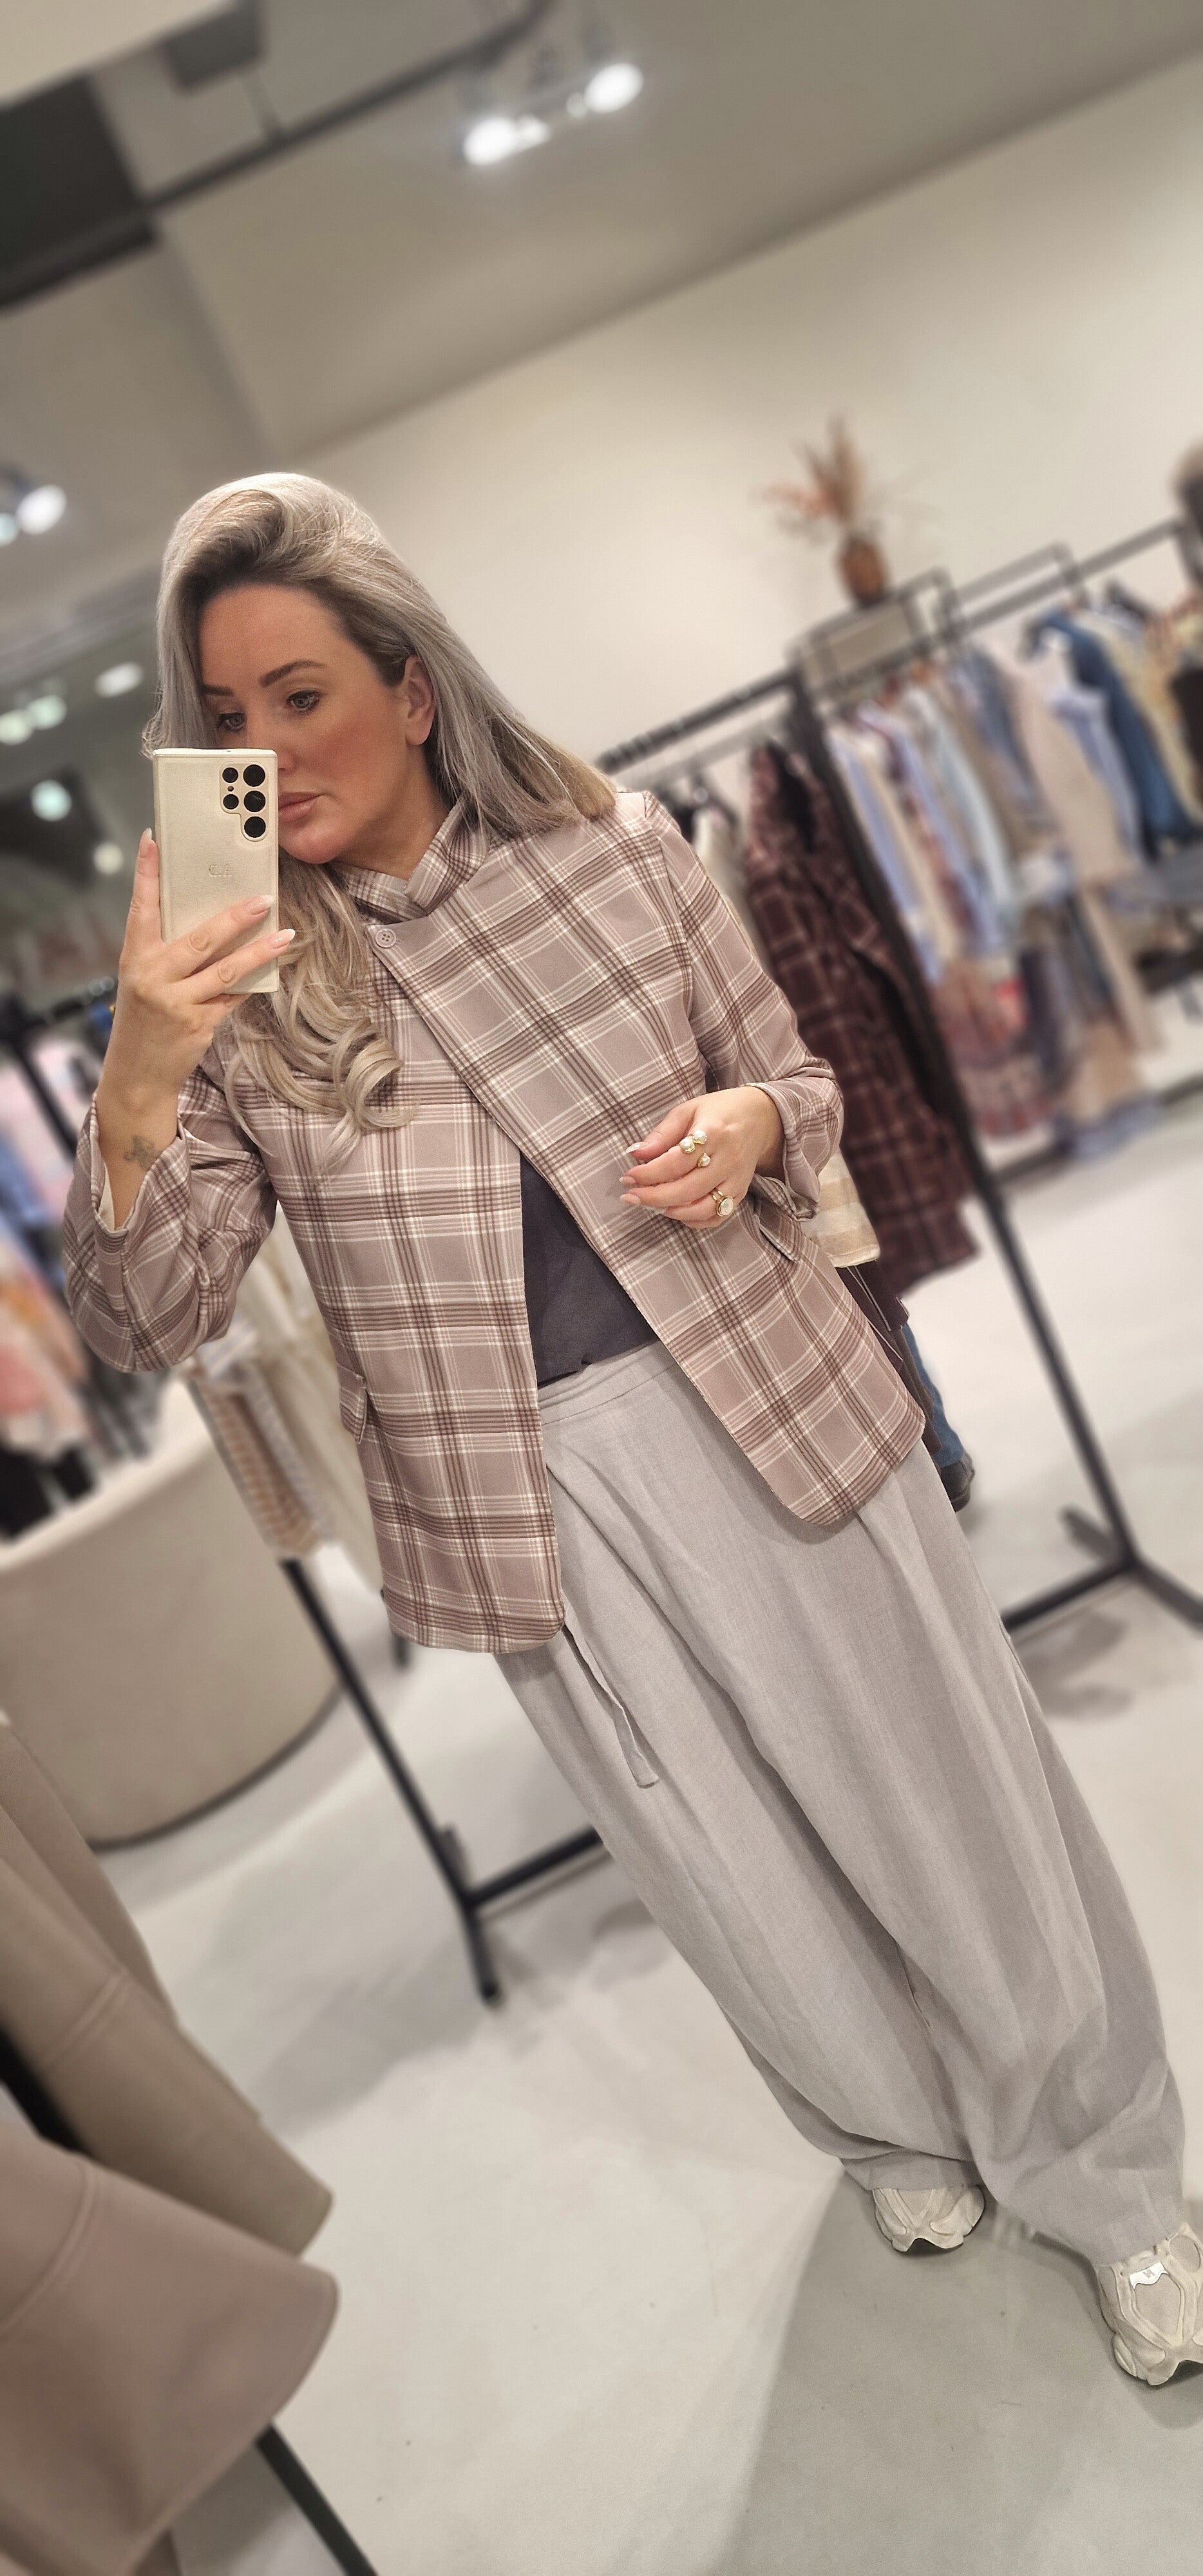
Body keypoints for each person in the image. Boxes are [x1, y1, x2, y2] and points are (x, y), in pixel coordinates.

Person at [64, 474, 1198, 2388]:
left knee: (953, 1804)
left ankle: (1109, 2172)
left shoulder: (614, 850)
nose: (263, 752)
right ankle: (893, 2134)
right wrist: (141, 1068)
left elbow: (802, 1086)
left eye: (302, 696)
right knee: (732, 1873)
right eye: (225, 716)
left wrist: (751, 1126)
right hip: (519, 1493)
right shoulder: (240, 998)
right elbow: (148, 1316)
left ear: (414, 688)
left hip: (762, 1390)